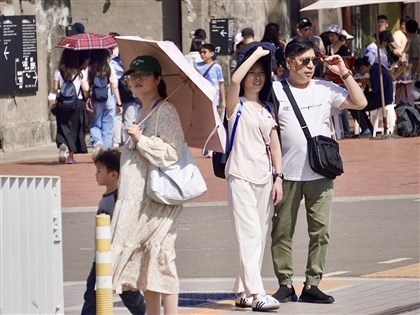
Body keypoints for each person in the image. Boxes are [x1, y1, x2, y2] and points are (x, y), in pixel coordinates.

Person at [271, 37, 367, 304]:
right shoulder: (276, 91)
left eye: (313, 60)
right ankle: (285, 284)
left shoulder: (325, 88)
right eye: (304, 61)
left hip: (321, 174)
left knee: (320, 231)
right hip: (287, 174)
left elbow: (360, 103)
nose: (310, 66)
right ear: (288, 63)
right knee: (281, 231)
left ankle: (312, 284)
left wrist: (343, 72)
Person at [111, 55, 185, 315]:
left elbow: (171, 152)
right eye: (133, 76)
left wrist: (141, 140)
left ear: (157, 79)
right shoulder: (139, 112)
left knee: (161, 256)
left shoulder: (165, 110)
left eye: (144, 75)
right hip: (135, 200)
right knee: (146, 262)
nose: (137, 80)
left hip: (156, 201)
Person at [225, 44, 282, 312]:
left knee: (257, 236)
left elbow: (275, 145)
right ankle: (257, 292)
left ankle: (242, 290)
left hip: (265, 178)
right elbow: (234, 79)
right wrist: (258, 54)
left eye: (262, 73)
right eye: (253, 72)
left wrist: (278, 178)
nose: (257, 77)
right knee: (248, 234)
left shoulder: (266, 108)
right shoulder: (235, 105)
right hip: (239, 175)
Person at [81, 149, 146, 315]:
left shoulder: (119, 199)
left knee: (127, 294)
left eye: (99, 171)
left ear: (113, 175)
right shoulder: (110, 197)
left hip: (114, 255)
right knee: (93, 295)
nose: (95, 174)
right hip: (104, 257)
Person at [82, 49, 122, 158]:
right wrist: (119, 103)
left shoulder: (89, 69)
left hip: (95, 98)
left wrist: (87, 96)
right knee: (108, 125)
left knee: (95, 123)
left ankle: (97, 141)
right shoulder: (109, 68)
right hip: (108, 97)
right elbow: (114, 86)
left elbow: (85, 86)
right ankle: (106, 151)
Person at [51, 49, 88, 164]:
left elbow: (55, 89)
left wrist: (53, 103)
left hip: (62, 103)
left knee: (63, 127)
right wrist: (87, 98)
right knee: (75, 129)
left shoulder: (58, 72)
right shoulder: (80, 72)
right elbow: (86, 89)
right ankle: (71, 157)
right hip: (77, 103)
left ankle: (62, 144)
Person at [351, 56, 394, 137]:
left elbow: (375, 88)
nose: (359, 73)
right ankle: (368, 128)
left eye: (358, 70)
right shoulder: (377, 67)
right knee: (360, 104)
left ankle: (366, 129)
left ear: (362, 67)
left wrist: (367, 82)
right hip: (385, 97)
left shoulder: (374, 70)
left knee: (355, 105)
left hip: (382, 98)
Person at [196, 43, 226, 157]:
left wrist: (223, 100)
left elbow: (221, 84)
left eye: (205, 52)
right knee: (203, 123)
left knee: (214, 122)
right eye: (201, 52)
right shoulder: (197, 66)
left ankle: (212, 147)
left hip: (214, 98)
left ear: (212, 53)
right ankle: (206, 145)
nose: (202, 55)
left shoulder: (216, 67)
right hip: (201, 97)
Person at [325, 24, 351, 137]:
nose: (331, 38)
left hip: (341, 79)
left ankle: (345, 131)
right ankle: (337, 130)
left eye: (333, 35)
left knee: (343, 105)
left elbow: (347, 63)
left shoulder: (343, 48)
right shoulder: (329, 47)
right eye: (329, 35)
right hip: (331, 78)